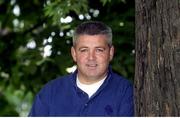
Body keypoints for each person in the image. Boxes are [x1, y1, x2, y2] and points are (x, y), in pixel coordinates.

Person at [28, 21, 134, 116]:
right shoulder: (49, 93)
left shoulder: (126, 93)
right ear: (74, 54)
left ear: (110, 53)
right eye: (84, 50)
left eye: (99, 50)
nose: (91, 57)